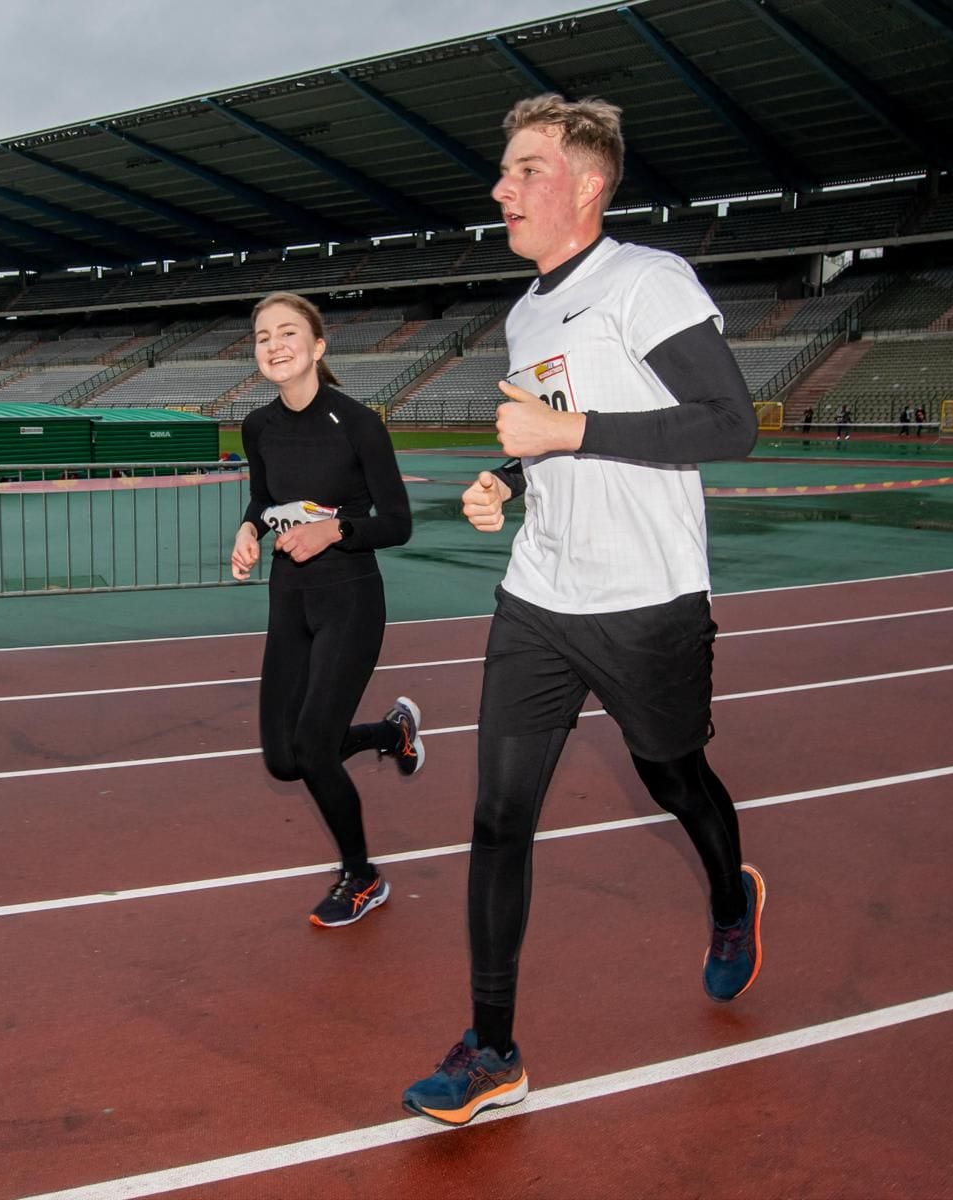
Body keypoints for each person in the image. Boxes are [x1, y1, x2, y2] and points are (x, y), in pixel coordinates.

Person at [402, 95, 763, 1127]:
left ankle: (731, 897)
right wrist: (501, 482)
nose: (500, 188)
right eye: (504, 170)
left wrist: (566, 438)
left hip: (647, 600)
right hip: (540, 597)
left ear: (587, 185)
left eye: (523, 170)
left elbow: (728, 425)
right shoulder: (526, 310)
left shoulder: (648, 282)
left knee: (672, 774)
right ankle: (493, 1048)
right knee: (497, 814)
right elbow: (541, 429)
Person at [230, 291, 423, 929]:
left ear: (317, 346)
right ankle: (390, 734)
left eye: (288, 333)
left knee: (314, 749)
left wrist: (335, 530)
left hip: (350, 600)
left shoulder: (360, 423)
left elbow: (397, 523)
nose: (275, 345)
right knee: (283, 761)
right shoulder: (257, 427)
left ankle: (361, 876)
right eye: (263, 337)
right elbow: (264, 501)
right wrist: (249, 531)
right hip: (288, 600)